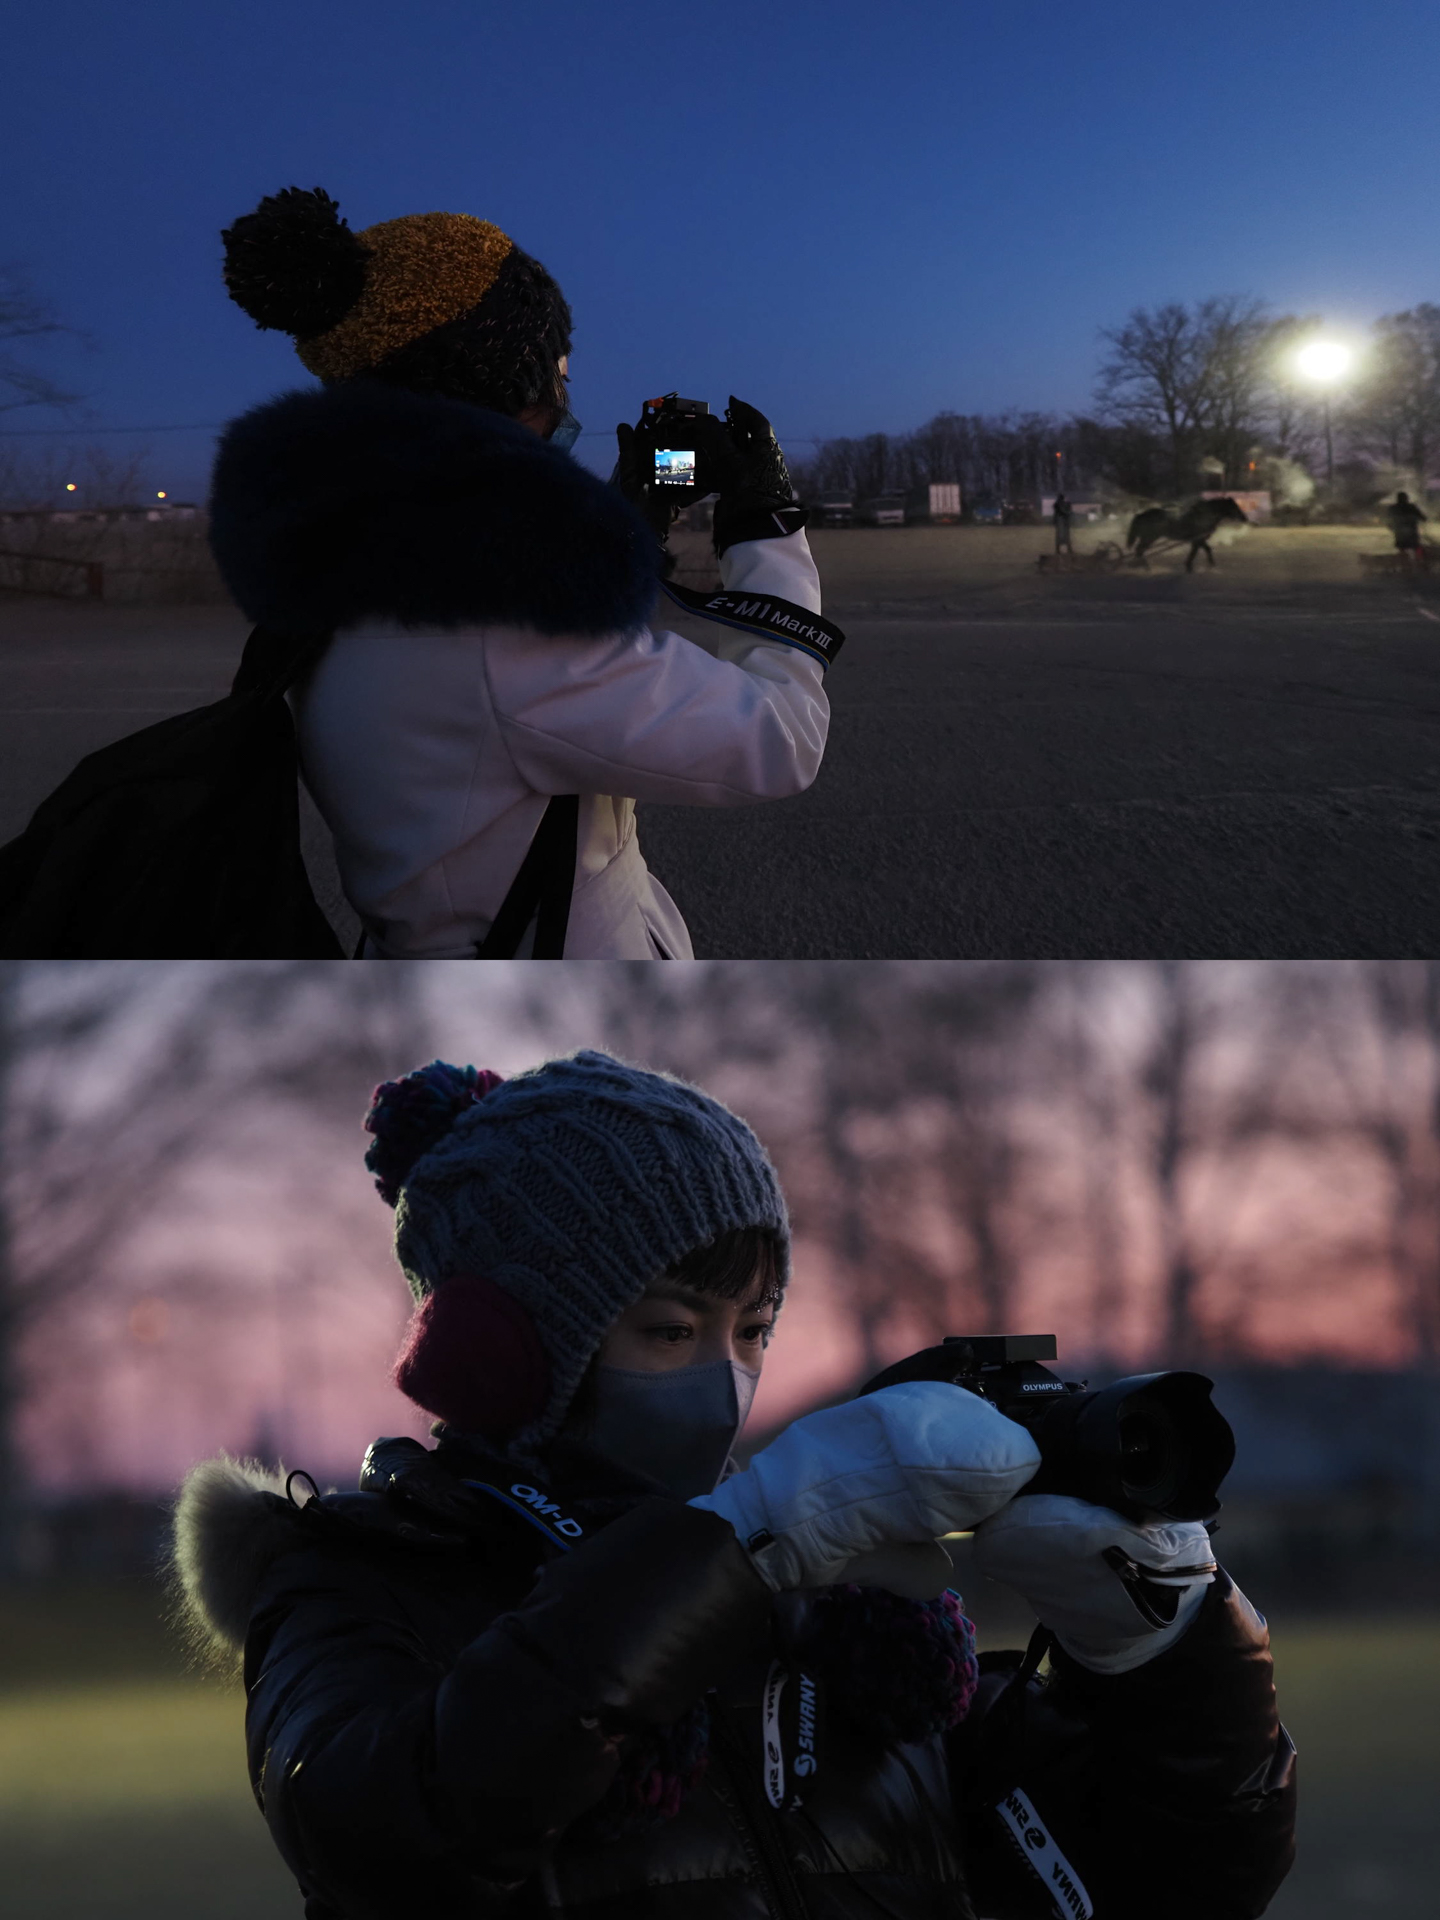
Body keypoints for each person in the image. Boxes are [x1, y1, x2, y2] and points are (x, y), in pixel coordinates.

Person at [171, 1051, 1295, 1920]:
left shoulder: (854, 1626)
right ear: (504, 1358)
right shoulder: (354, 1579)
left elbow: (1180, 1880)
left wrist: (1171, 1648)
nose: (726, 1379)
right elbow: (391, 1837)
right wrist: (742, 1544)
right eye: (670, 1329)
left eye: (753, 1329)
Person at [208, 189, 834, 959]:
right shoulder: (499, 630)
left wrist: (621, 532)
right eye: (555, 367)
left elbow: (519, 717)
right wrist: (767, 526)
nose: (564, 394)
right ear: (500, 389)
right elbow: (780, 739)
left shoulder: (355, 568)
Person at [1387, 490, 1429, 566]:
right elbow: (1423, 518)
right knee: (1416, 547)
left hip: (1399, 532)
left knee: (1402, 549)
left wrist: (1392, 527)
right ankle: (1420, 561)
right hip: (1411, 532)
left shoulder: (1393, 508)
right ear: (1406, 498)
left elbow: (1388, 521)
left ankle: (1404, 564)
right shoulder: (1411, 507)